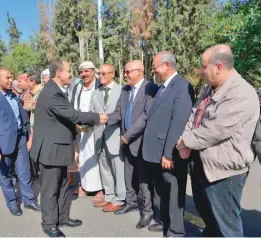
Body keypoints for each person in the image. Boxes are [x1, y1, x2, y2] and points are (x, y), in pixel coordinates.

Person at [177, 44, 259, 237]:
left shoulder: (241, 92)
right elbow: (193, 115)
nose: (200, 71)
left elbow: (215, 130)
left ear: (219, 67)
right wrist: (186, 141)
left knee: (227, 227)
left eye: (203, 66)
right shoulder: (209, 88)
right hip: (202, 165)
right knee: (210, 219)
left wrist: (184, 142)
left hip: (224, 173)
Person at [30, 60, 108, 237]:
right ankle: (49, 223)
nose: (71, 74)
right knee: (50, 189)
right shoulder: (52, 93)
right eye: (68, 71)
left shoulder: (56, 90)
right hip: (51, 149)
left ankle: (62, 217)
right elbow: (72, 114)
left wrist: (75, 127)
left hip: (59, 147)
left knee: (63, 184)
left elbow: (61, 118)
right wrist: (97, 117)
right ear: (58, 73)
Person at [141, 51, 194, 236]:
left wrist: (168, 154)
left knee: (174, 194)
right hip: (156, 151)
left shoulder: (182, 86)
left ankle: (175, 230)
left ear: (167, 66)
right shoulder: (162, 87)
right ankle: (165, 222)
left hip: (168, 152)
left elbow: (179, 121)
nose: (153, 69)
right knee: (162, 191)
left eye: (155, 65)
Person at [0, 68, 40, 216]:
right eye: (7, 78)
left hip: (20, 138)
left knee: (24, 171)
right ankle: (12, 203)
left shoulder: (13, 95)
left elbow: (21, 116)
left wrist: (28, 136)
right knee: (5, 174)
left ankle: (29, 199)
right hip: (3, 143)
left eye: (11, 77)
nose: (10, 80)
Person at [107, 60, 158, 217]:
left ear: (139, 72)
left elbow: (146, 116)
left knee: (144, 179)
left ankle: (148, 211)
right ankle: (131, 203)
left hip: (141, 141)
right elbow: (118, 113)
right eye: (125, 71)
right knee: (128, 176)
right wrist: (101, 118)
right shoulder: (125, 90)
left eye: (128, 71)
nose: (125, 74)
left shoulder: (150, 88)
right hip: (127, 142)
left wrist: (127, 136)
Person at [90, 64, 125, 212]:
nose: (100, 76)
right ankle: (109, 195)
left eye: (104, 74)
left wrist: (106, 118)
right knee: (105, 168)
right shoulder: (95, 93)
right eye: (99, 74)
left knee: (118, 169)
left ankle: (120, 198)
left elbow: (122, 113)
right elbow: (92, 112)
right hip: (100, 136)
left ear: (112, 74)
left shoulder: (122, 90)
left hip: (115, 136)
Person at [72, 61, 103, 201]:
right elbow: (73, 107)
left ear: (93, 72)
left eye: (87, 71)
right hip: (81, 128)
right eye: (82, 72)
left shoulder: (99, 86)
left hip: (96, 128)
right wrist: (77, 123)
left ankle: (99, 189)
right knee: (83, 157)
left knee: (96, 158)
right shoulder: (77, 88)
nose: (84, 74)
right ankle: (84, 186)